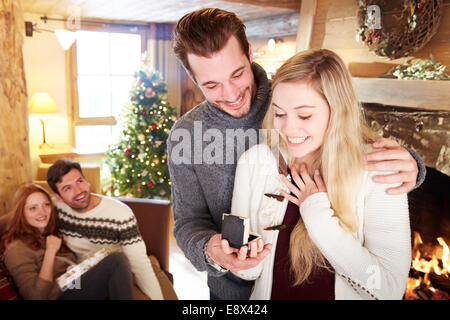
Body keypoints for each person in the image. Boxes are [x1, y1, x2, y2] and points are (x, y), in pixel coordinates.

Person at [168, 8, 424, 300]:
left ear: (250, 53)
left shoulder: (291, 93)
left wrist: (412, 166)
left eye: (237, 74)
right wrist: (209, 250)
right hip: (231, 292)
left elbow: (352, 136)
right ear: (193, 79)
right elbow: (189, 221)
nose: (230, 93)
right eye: (211, 85)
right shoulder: (188, 135)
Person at [230, 49, 411, 299]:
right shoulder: (254, 162)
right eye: (279, 113)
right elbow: (249, 273)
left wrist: (317, 214)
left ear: (336, 111)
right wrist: (241, 260)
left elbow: (389, 289)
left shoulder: (379, 169)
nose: (287, 128)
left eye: (305, 115)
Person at [45, 158, 164, 300]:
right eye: (67, 188)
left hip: (115, 272)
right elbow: (25, 210)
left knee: (149, 274)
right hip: (77, 279)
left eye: (80, 181)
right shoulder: (53, 208)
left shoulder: (120, 214)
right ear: (58, 197)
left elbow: (139, 264)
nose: (78, 191)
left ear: (87, 181)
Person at [1, 183, 134, 300]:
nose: (42, 212)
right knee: (116, 261)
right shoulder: (16, 248)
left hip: (73, 285)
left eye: (46, 205)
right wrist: (50, 252)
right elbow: (36, 297)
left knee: (116, 261)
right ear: (21, 213)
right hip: (60, 295)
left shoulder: (48, 234)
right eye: (33, 208)